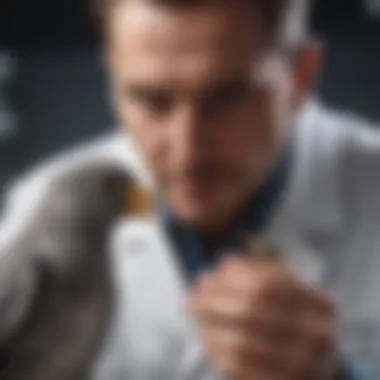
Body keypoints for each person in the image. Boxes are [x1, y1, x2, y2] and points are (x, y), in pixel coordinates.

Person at [1, 0, 380, 379]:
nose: (188, 150)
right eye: (152, 99)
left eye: (227, 97)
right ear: (112, 82)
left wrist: (339, 375)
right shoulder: (43, 205)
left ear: (302, 75)